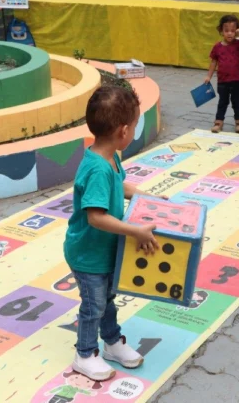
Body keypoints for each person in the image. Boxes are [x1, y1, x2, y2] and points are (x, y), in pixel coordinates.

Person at [64, 85, 163, 381]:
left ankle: (111, 342)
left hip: (104, 252)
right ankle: (84, 354)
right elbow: (95, 217)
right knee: (94, 305)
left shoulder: (108, 156)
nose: (133, 131)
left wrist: (147, 198)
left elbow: (121, 187)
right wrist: (135, 231)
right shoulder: (98, 168)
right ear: (123, 131)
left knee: (107, 299)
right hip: (88, 254)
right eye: (134, 125)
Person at [204, 15, 239, 134]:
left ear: (236, 31)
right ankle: (218, 122)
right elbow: (213, 62)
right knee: (222, 102)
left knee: (237, 102)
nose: (229, 33)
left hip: (237, 80)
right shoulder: (217, 47)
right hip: (222, 81)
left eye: (232, 31)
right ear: (221, 31)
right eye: (226, 31)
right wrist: (208, 76)